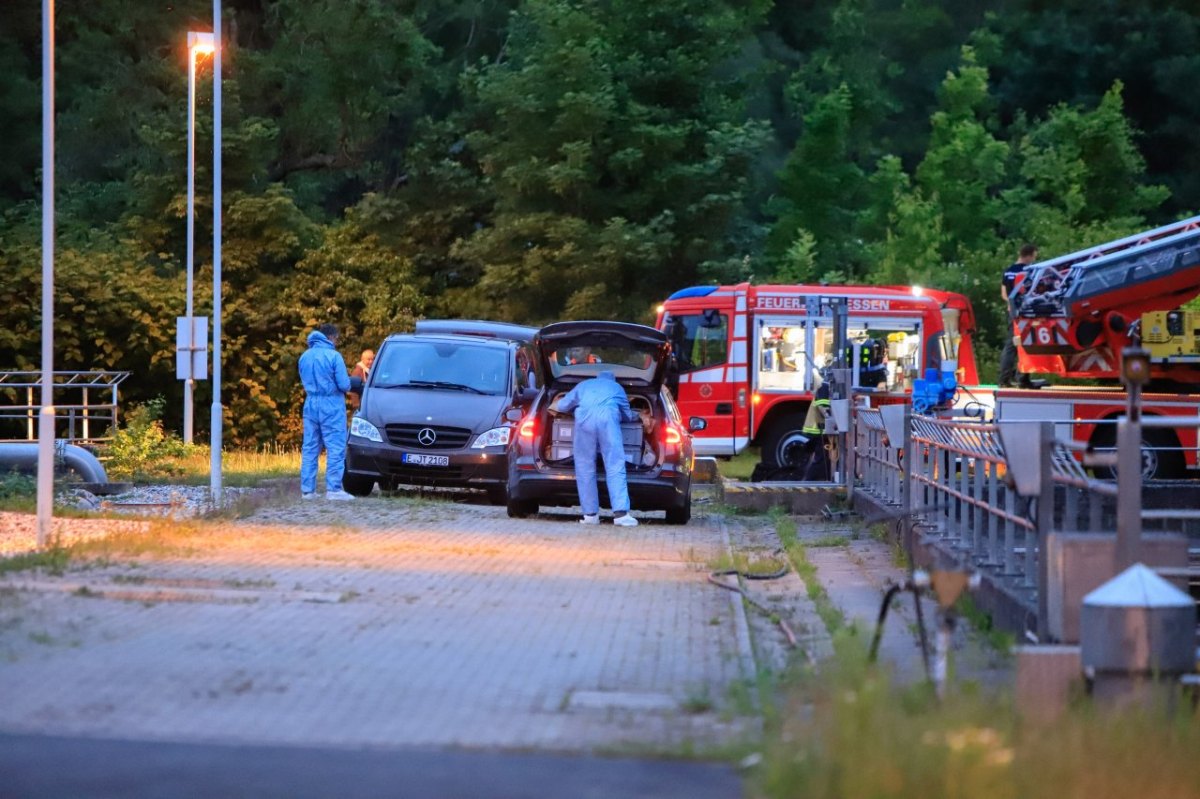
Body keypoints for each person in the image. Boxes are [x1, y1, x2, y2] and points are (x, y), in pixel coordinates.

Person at [554, 370, 645, 526]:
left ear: (597, 378)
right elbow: (627, 415)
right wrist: (638, 415)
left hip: (584, 421)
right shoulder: (617, 388)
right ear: (613, 379)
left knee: (584, 466)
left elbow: (562, 406)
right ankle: (621, 515)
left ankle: (590, 515)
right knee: (614, 464)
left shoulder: (583, 385)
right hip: (608, 421)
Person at [298, 323, 355, 500]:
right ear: (331, 337)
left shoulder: (304, 357)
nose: (337, 342)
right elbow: (344, 385)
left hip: (311, 402)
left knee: (310, 446)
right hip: (331, 404)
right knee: (335, 446)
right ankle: (334, 489)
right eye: (336, 339)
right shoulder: (334, 356)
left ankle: (308, 490)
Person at [998, 243, 1038, 388]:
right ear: (1029, 255)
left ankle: (1004, 379)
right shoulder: (1030, 271)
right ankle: (1023, 378)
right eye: (1034, 256)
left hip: (1012, 312)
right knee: (1027, 344)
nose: (1033, 259)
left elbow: (1004, 294)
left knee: (1010, 345)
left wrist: (1011, 303)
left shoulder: (1008, 271)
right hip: (1027, 313)